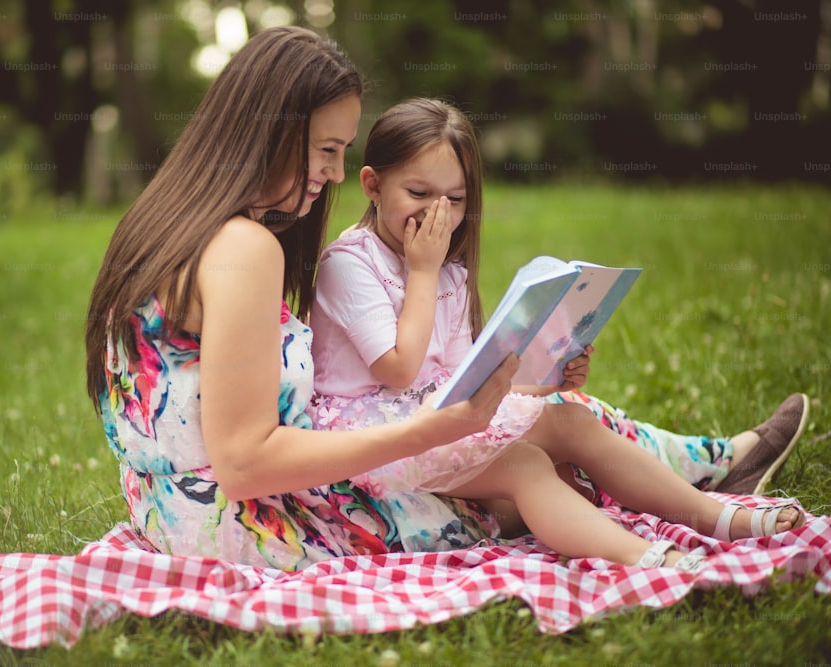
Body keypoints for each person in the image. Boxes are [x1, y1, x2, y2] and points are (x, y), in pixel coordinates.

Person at [85, 27, 806, 573]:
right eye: (326, 149)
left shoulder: (169, 223)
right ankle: (689, 516)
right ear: (269, 129)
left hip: (178, 511)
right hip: (247, 523)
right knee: (528, 462)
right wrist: (437, 429)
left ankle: (708, 484)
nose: (333, 174)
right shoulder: (244, 248)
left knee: (545, 428)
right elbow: (246, 463)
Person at [306, 97, 805, 566]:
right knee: (525, 466)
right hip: (373, 442)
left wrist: (548, 377)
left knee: (574, 423)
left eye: (455, 199)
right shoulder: (350, 264)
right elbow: (399, 371)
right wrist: (422, 272)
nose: (439, 213)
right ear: (372, 185)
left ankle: (717, 517)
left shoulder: (447, 273)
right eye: (419, 194)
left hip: (433, 419)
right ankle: (647, 559)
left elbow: (459, 382)